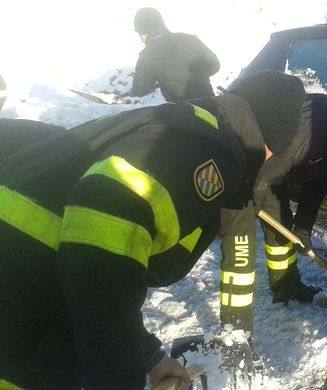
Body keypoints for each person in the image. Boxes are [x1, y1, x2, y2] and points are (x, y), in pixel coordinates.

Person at [0, 71, 304, 389]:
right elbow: (99, 245)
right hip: (22, 318)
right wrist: (118, 376)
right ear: (272, 140)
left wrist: (149, 356)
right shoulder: (211, 149)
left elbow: (102, 279)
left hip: (35, 297)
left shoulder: (183, 126)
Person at [254, 93, 327, 304]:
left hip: (282, 169)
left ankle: (287, 286)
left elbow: (316, 185)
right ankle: (277, 292)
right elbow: (279, 158)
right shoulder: (324, 121)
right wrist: (254, 194)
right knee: (270, 225)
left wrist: (303, 228)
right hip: (263, 161)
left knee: (283, 228)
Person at [119, 7, 220, 103]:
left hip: (186, 114)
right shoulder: (190, 39)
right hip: (213, 108)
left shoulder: (147, 55)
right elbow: (215, 65)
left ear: (144, 33)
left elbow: (140, 89)